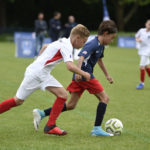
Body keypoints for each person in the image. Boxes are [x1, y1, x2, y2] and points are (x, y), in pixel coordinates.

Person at [0, 24, 91, 136]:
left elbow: (45, 46)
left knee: (18, 101)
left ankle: (50, 126)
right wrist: (84, 74)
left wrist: (38, 62)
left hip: (35, 71)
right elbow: (70, 66)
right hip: (39, 74)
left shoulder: (62, 41)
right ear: (77, 37)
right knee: (62, 95)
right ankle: (50, 126)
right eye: (83, 41)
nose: (84, 44)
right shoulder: (67, 46)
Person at [33, 20, 117, 136]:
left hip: (81, 76)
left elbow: (99, 60)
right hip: (85, 75)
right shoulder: (93, 43)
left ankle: (42, 113)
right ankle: (96, 129)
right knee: (104, 98)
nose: (111, 41)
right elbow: (81, 57)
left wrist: (107, 75)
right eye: (111, 38)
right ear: (105, 33)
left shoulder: (101, 46)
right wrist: (80, 72)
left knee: (71, 105)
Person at [135, 19, 150, 89]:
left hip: (147, 51)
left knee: (141, 67)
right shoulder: (141, 30)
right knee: (146, 66)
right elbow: (136, 36)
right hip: (141, 50)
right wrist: (138, 40)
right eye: (149, 24)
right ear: (146, 24)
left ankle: (142, 83)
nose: (149, 25)